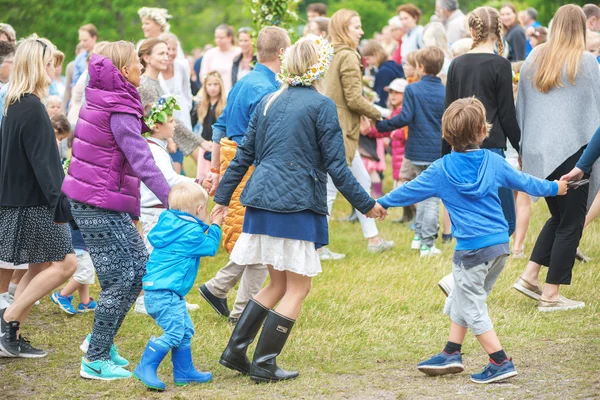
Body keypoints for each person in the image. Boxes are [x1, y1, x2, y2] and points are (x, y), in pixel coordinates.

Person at [215, 35, 386, 383]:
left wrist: (221, 198)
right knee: (298, 288)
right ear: (319, 67)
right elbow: (337, 166)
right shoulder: (322, 105)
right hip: (294, 203)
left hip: (262, 199)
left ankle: (236, 351)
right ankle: (264, 362)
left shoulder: (268, 100)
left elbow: (243, 155)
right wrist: (367, 205)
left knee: (277, 283)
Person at [378, 97, 566, 384]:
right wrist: (555, 187)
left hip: (471, 252)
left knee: (471, 304)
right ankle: (451, 352)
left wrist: (380, 203)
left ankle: (499, 360)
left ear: (446, 133)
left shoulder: (441, 169)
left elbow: (409, 191)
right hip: (500, 247)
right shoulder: (494, 160)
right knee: (464, 298)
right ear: (482, 130)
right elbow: (526, 182)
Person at [62, 41, 172, 380]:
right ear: (124, 71)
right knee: (122, 277)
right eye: (137, 62)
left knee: (137, 268)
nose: (142, 67)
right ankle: (94, 359)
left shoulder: (106, 95)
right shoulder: (120, 105)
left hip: (99, 198)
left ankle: (101, 341)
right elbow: (141, 159)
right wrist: (173, 199)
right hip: (95, 201)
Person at [199, 27, 290, 325]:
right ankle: (232, 300)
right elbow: (262, 138)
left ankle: (226, 295)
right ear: (281, 53)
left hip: (233, 162)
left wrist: (216, 169)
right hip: (252, 165)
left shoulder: (243, 82)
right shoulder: (267, 89)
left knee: (256, 235)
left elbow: (219, 126)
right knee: (258, 235)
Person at [513, 4, 600, 312]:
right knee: (572, 222)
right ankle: (551, 294)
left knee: (559, 216)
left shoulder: (535, 56)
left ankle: (529, 275)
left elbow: (520, 105)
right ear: (581, 28)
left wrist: (525, 150)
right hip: (574, 152)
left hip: (538, 151)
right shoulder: (586, 62)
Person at [0, 36, 77, 358]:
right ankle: (9, 320)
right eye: (49, 64)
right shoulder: (31, 107)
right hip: (35, 204)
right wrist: (63, 204)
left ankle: (10, 335)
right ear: (36, 66)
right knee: (66, 264)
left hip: (23, 200)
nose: (53, 70)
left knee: (41, 264)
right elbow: (45, 165)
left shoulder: (17, 104)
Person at [134, 182, 220, 391]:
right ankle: (145, 367)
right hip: (165, 293)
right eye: (205, 209)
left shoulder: (170, 224)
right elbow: (210, 247)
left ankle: (184, 372)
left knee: (185, 330)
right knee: (174, 332)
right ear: (199, 210)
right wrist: (216, 225)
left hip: (163, 291)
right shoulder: (190, 232)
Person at [323, 9, 393, 256]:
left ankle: (373, 239)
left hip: (327, 125)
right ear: (344, 29)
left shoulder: (327, 53)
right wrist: (381, 113)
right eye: (356, 27)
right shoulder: (348, 56)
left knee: (362, 180)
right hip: (340, 129)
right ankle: (319, 248)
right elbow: (353, 99)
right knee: (330, 188)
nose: (361, 32)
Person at [374, 47, 445, 256]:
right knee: (431, 198)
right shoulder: (446, 90)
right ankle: (427, 243)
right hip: (436, 151)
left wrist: (381, 126)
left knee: (423, 194)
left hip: (415, 150)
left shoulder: (413, 89)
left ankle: (419, 237)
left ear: (421, 67)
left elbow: (405, 118)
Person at [138, 38, 205, 168]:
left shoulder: (153, 82)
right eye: (161, 54)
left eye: (167, 53)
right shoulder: (146, 86)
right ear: (147, 58)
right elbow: (162, 120)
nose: (166, 57)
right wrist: (200, 141)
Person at [364, 78, 414, 222]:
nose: (392, 95)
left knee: (407, 185)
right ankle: (407, 215)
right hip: (397, 156)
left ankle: (414, 217)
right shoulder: (394, 113)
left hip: (405, 156)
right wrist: (369, 131)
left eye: (397, 93)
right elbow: (385, 130)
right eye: (391, 92)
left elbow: (400, 133)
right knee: (402, 184)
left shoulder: (405, 114)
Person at [195, 72, 226, 181]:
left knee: (218, 178)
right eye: (209, 84)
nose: (212, 88)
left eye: (215, 84)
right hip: (205, 145)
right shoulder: (202, 105)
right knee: (203, 178)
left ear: (220, 85)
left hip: (219, 146)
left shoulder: (224, 105)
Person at [361, 40, 404, 107]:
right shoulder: (391, 65)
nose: (367, 62)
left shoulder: (384, 72)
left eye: (368, 59)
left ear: (375, 55)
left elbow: (383, 99)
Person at [199, 25, 241, 94]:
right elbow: (203, 75)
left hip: (234, 93)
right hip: (215, 96)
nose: (218, 40)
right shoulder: (209, 54)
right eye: (216, 37)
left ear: (229, 38)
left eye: (221, 38)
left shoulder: (238, 52)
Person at [71, 24, 98, 92]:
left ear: (94, 38)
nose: (82, 43)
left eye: (85, 40)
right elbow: (75, 82)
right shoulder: (79, 58)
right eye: (81, 40)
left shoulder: (103, 55)